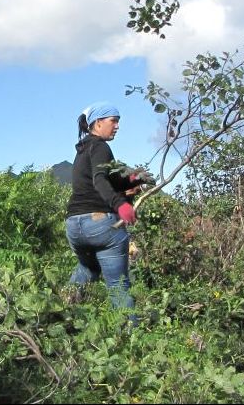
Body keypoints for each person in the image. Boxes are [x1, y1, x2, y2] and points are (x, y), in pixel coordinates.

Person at [64, 102, 153, 322]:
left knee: (89, 269)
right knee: (118, 286)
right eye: (113, 121)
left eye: (118, 121)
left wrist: (134, 178)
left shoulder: (84, 149)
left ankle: (60, 311)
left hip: (74, 226)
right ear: (98, 123)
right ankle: (131, 339)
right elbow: (100, 180)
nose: (117, 126)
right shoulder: (101, 147)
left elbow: (108, 179)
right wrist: (120, 205)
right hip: (100, 224)